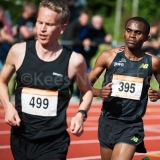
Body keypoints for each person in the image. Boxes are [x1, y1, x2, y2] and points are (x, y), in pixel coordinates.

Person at [0, 0, 93, 159]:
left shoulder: (74, 61)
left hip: (53, 142)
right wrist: (7, 105)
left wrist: (80, 114)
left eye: (49, 24)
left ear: (62, 27)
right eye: (39, 22)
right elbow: (2, 81)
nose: (42, 29)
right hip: (20, 137)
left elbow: (87, 92)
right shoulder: (18, 51)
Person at [88, 16, 160, 160]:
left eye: (138, 33)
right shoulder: (108, 56)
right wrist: (99, 92)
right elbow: (85, 86)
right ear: (124, 32)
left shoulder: (154, 62)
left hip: (132, 125)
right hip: (107, 122)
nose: (132, 35)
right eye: (129, 30)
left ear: (147, 37)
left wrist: (158, 94)